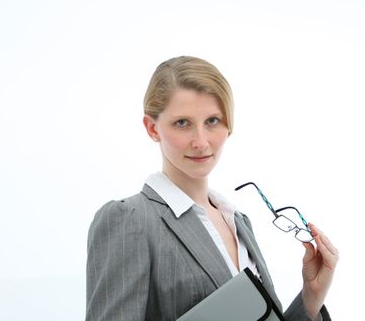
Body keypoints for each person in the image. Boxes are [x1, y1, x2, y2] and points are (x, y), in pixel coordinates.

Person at [86, 56, 338, 321]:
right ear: (152, 128)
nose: (201, 142)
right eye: (182, 123)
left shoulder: (239, 223)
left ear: (229, 125)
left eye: (212, 121)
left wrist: (311, 296)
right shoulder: (129, 219)